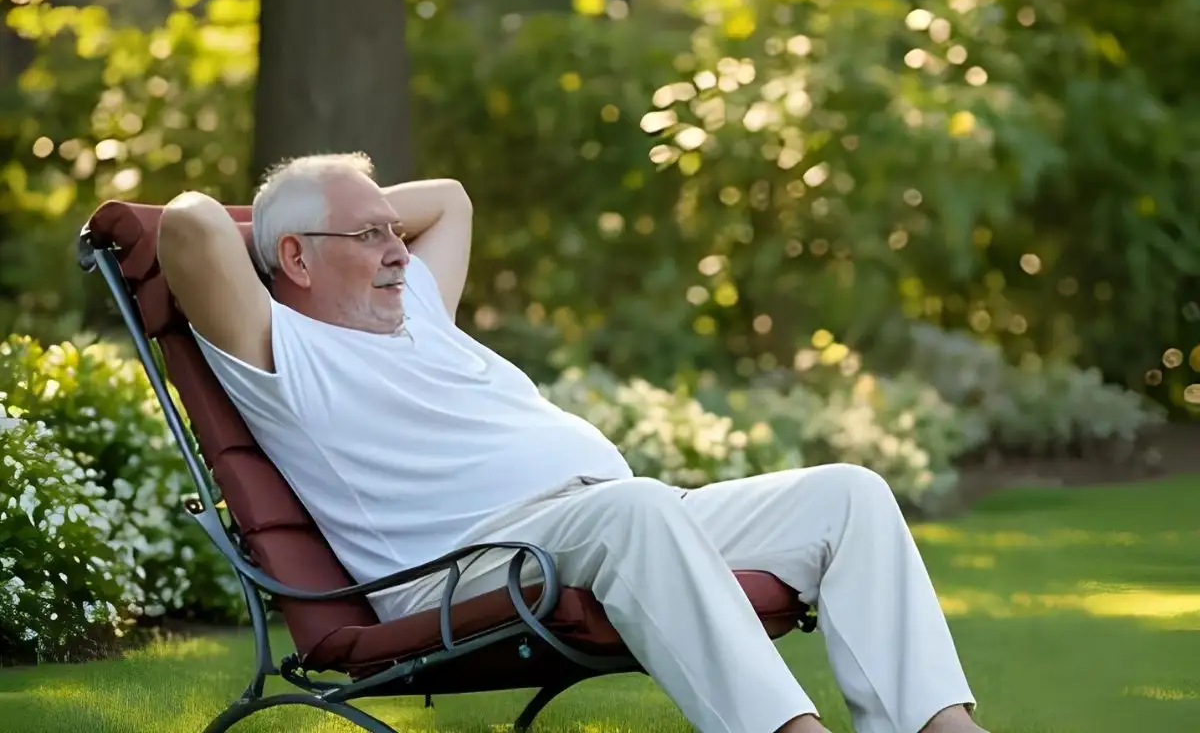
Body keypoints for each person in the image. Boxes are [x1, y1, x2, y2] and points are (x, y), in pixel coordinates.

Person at [156, 152, 986, 733]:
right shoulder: (279, 353)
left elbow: (450, 197)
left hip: (608, 523)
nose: (400, 250)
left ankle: (938, 725)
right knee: (635, 511)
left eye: (393, 230)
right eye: (373, 236)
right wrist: (282, 218)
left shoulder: (419, 312)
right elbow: (190, 226)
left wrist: (351, 215)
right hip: (473, 563)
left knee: (848, 494)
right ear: (292, 257)